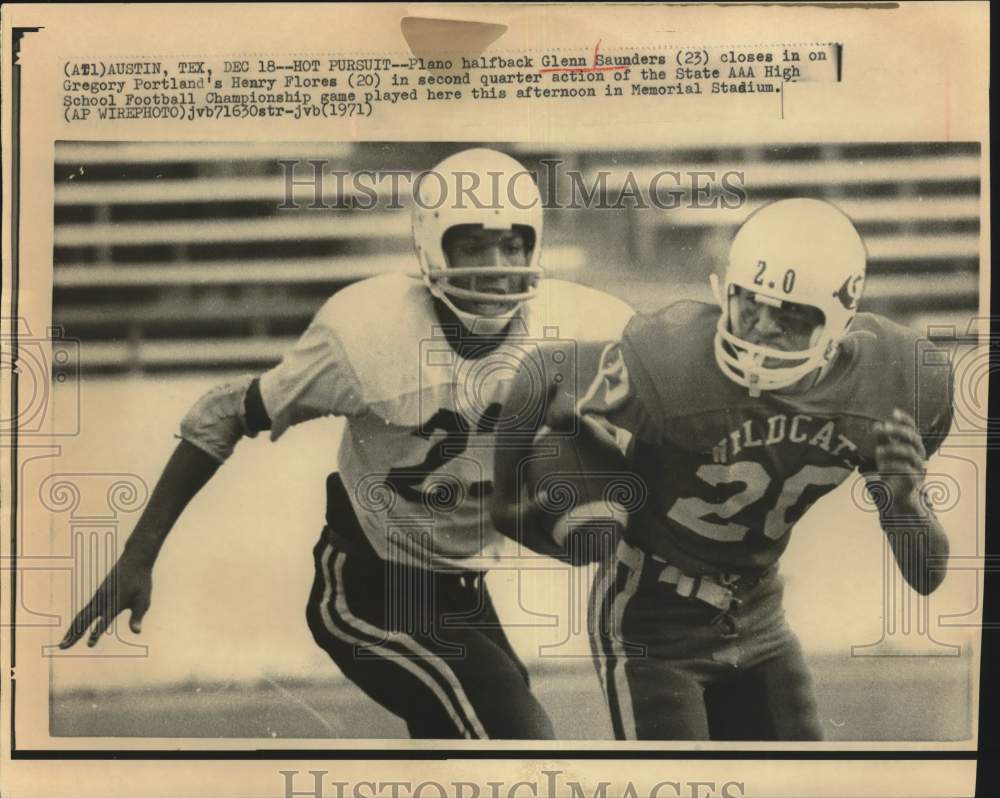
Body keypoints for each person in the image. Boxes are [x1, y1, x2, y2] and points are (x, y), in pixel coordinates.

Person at [59, 148, 635, 740]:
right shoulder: (369, 334)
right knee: (519, 742)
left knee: (470, 748)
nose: (495, 266)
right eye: (472, 246)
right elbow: (223, 412)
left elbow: (666, 421)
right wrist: (139, 553)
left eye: (511, 245)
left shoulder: (580, 333)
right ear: (432, 248)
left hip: (464, 591)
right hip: (370, 587)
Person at [492, 198, 953, 740]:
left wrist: (905, 505)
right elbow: (544, 369)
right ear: (726, 292)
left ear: (837, 322)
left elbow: (925, 578)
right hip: (651, 620)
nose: (760, 331)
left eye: (790, 316)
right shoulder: (676, 366)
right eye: (750, 306)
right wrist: (506, 498)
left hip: (758, 613)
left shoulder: (888, 386)